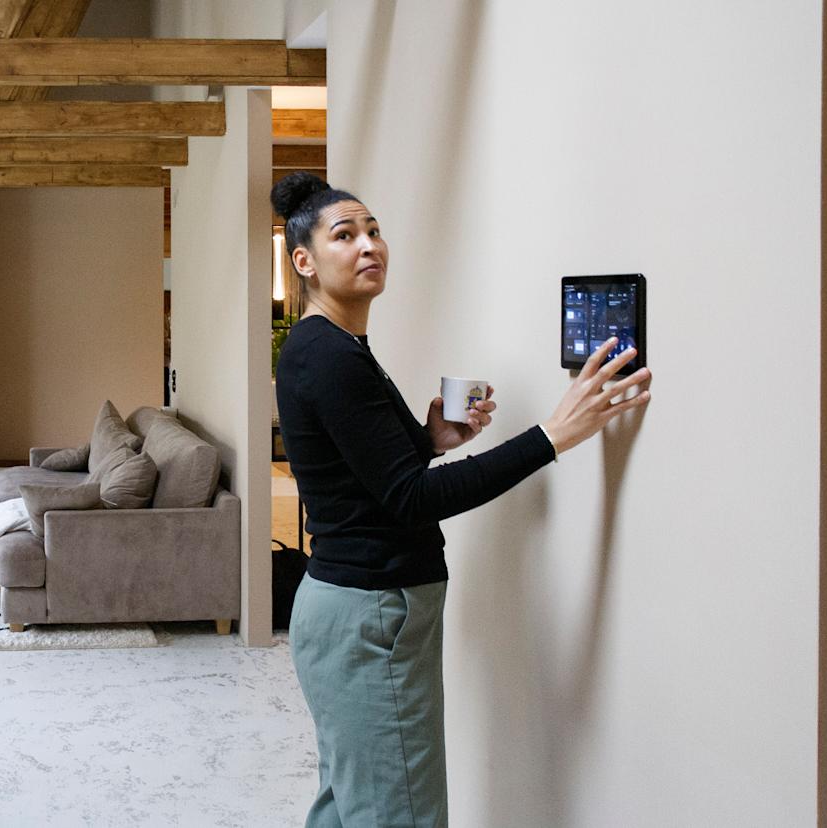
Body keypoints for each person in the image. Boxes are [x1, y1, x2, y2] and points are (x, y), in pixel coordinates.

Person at [272, 172, 652, 827]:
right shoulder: (327, 355)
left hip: (353, 608)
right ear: (303, 261)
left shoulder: (333, 348)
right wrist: (552, 437)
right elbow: (412, 501)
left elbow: (368, 482)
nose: (369, 245)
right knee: (399, 813)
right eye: (345, 235)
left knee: (351, 802)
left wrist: (426, 439)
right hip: (370, 615)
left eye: (373, 230)